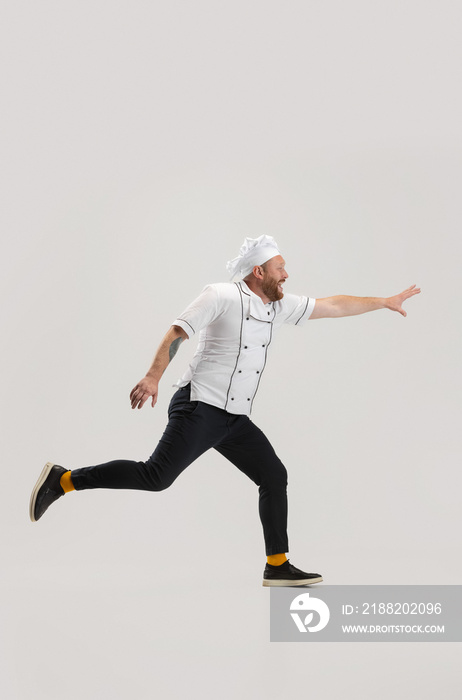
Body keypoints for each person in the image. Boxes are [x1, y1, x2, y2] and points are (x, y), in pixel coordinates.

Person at [29, 235, 421, 586]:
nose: (287, 274)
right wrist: (153, 376)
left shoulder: (277, 307)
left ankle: (277, 564)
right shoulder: (220, 295)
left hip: (234, 418)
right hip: (200, 406)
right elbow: (178, 332)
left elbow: (332, 305)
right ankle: (64, 480)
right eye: (280, 267)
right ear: (259, 271)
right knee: (155, 477)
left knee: (273, 474)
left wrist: (383, 302)